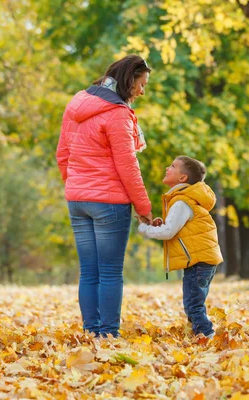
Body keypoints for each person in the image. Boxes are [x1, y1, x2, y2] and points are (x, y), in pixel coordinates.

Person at [56, 55, 153, 338]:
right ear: (129, 79)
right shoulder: (118, 113)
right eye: (141, 84)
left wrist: (75, 185)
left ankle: (91, 332)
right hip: (109, 203)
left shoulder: (77, 102)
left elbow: (62, 153)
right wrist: (143, 206)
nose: (142, 91)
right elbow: (127, 166)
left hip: (78, 200)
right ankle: (108, 335)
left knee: (89, 271)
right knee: (110, 271)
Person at [138, 156, 223, 339]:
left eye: (173, 166)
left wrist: (145, 229)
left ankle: (207, 336)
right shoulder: (186, 199)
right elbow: (177, 227)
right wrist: (161, 223)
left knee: (193, 304)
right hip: (201, 260)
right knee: (194, 302)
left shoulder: (182, 202)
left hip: (198, 261)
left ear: (182, 178)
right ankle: (197, 334)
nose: (167, 168)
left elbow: (169, 232)